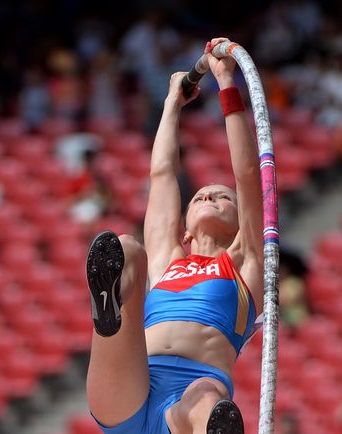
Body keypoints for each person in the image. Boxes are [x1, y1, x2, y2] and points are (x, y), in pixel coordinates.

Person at [83, 38, 263, 434]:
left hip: (188, 405)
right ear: (184, 229)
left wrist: (226, 84)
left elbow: (248, 177)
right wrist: (171, 105)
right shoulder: (170, 262)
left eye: (222, 197)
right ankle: (107, 314)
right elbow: (162, 175)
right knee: (127, 249)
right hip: (129, 388)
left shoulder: (246, 264)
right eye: (199, 196)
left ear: (239, 223)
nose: (209, 195)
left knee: (206, 396)